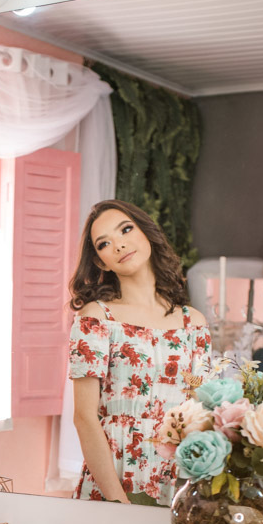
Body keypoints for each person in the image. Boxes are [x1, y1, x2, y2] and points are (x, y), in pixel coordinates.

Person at [68, 199, 210, 505]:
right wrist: (118, 501)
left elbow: (202, 415)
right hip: (115, 477)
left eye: (126, 230)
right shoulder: (97, 317)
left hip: (179, 480)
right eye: (104, 243)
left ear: (146, 234)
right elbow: (84, 418)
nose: (119, 245)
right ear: (102, 262)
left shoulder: (193, 323)